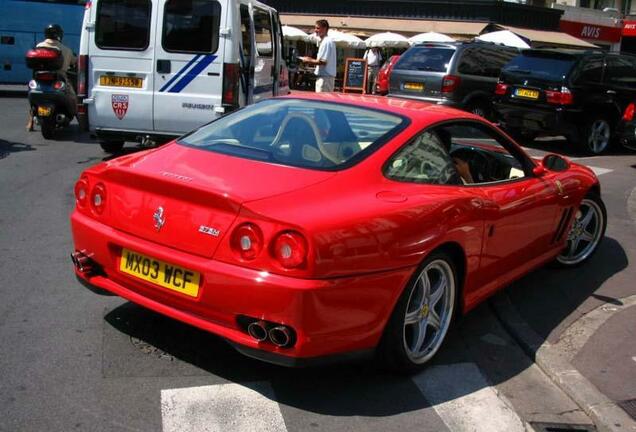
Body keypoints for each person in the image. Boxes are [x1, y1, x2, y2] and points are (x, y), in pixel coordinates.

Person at [27, 24, 77, 131]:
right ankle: (82, 123)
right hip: (58, 79)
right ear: (59, 35)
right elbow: (74, 62)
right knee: (73, 96)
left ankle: (30, 121)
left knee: (34, 96)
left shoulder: (39, 46)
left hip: (39, 80)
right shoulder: (66, 50)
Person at [300, 20, 336, 93]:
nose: (315, 30)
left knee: (322, 101)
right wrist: (309, 59)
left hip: (325, 78)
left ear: (325, 28)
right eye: (315, 28)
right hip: (326, 77)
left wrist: (308, 60)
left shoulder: (326, 42)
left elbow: (322, 62)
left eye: (318, 28)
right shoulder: (327, 41)